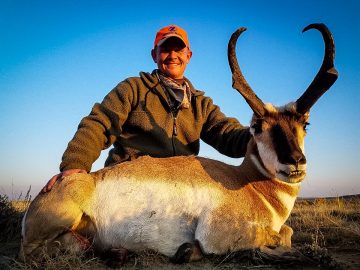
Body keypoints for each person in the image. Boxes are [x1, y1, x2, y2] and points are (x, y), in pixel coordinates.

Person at [42, 24, 251, 192]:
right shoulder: (134, 88)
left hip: (180, 189)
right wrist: (75, 164)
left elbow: (229, 136)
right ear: (154, 55)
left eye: (178, 49)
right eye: (165, 49)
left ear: (189, 55)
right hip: (128, 184)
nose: (172, 55)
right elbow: (99, 123)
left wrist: (261, 133)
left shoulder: (201, 105)